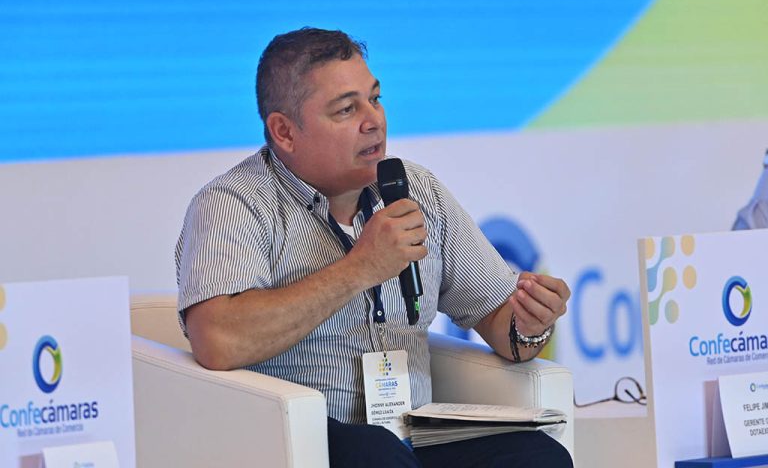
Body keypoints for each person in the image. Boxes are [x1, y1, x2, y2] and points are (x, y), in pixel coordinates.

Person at [176, 27, 572, 467]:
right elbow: (217, 340)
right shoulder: (235, 204)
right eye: (347, 109)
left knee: (538, 456)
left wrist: (529, 321)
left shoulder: (417, 189)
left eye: (375, 99)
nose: (374, 121)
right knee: (375, 454)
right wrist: (359, 268)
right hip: (300, 441)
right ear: (284, 132)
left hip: (413, 434)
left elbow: (499, 322)